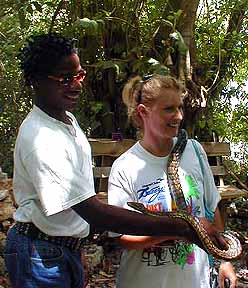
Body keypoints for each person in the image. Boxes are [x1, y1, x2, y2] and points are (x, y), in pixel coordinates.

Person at [3, 33, 226, 288]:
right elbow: (94, 213)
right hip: (40, 254)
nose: (76, 85)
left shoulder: (65, 120)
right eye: (65, 78)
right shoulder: (41, 138)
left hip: (61, 247)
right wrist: (182, 227)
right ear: (36, 81)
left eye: (79, 75)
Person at [108, 74, 237, 288]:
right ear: (143, 112)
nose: (178, 116)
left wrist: (223, 260)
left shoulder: (193, 151)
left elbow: (211, 209)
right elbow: (122, 237)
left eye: (180, 108)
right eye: (169, 109)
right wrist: (180, 229)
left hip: (195, 281)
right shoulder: (125, 166)